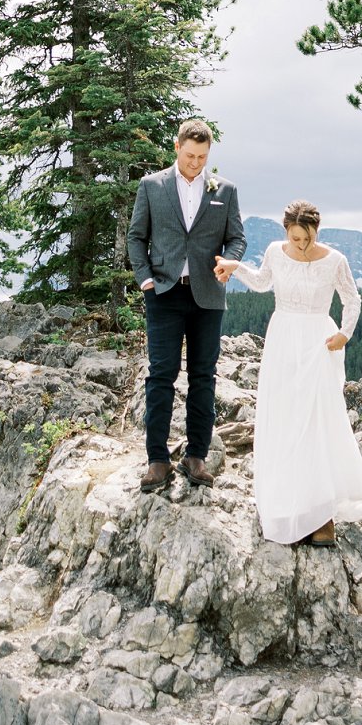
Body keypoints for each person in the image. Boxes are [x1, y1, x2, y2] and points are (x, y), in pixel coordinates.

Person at [215, 201, 362, 547]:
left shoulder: (334, 260)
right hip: (283, 341)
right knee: (285, 420)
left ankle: (322, 514)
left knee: (317, 422)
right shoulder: (276, 252)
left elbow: (353, 299)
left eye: (306, 238)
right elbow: (261, 283)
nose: (301, 245)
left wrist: (345, 334)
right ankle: (285, 506)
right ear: (286, 232)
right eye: (295, 238)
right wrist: (235, 267)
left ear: (316, 231)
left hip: (319, 344)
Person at [127, 119, 246, 492]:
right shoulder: (151, 186)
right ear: (177, 147)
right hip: (163, 292)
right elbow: (136, 237)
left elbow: (237, 239)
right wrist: (146, 280)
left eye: (203, 157)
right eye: (190, 155)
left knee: (203, 376)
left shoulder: (224, 190)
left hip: (208, 296)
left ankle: (195, 456)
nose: (196, 163)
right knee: (161, 375)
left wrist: (229, 261)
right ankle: (157, 461)